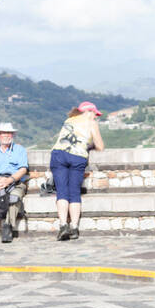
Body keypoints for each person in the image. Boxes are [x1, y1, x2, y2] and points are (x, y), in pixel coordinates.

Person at [49, 101, 104, 241]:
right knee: (74, 193)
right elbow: (100, 146)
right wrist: (87, 146)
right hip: (77, 156)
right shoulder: (91, 123)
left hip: (58, 155)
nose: (95, 117)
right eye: (94, 114)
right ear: (88, 112)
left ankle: (62, 225)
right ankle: (74, 228)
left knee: (61, 192)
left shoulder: (69, 120)